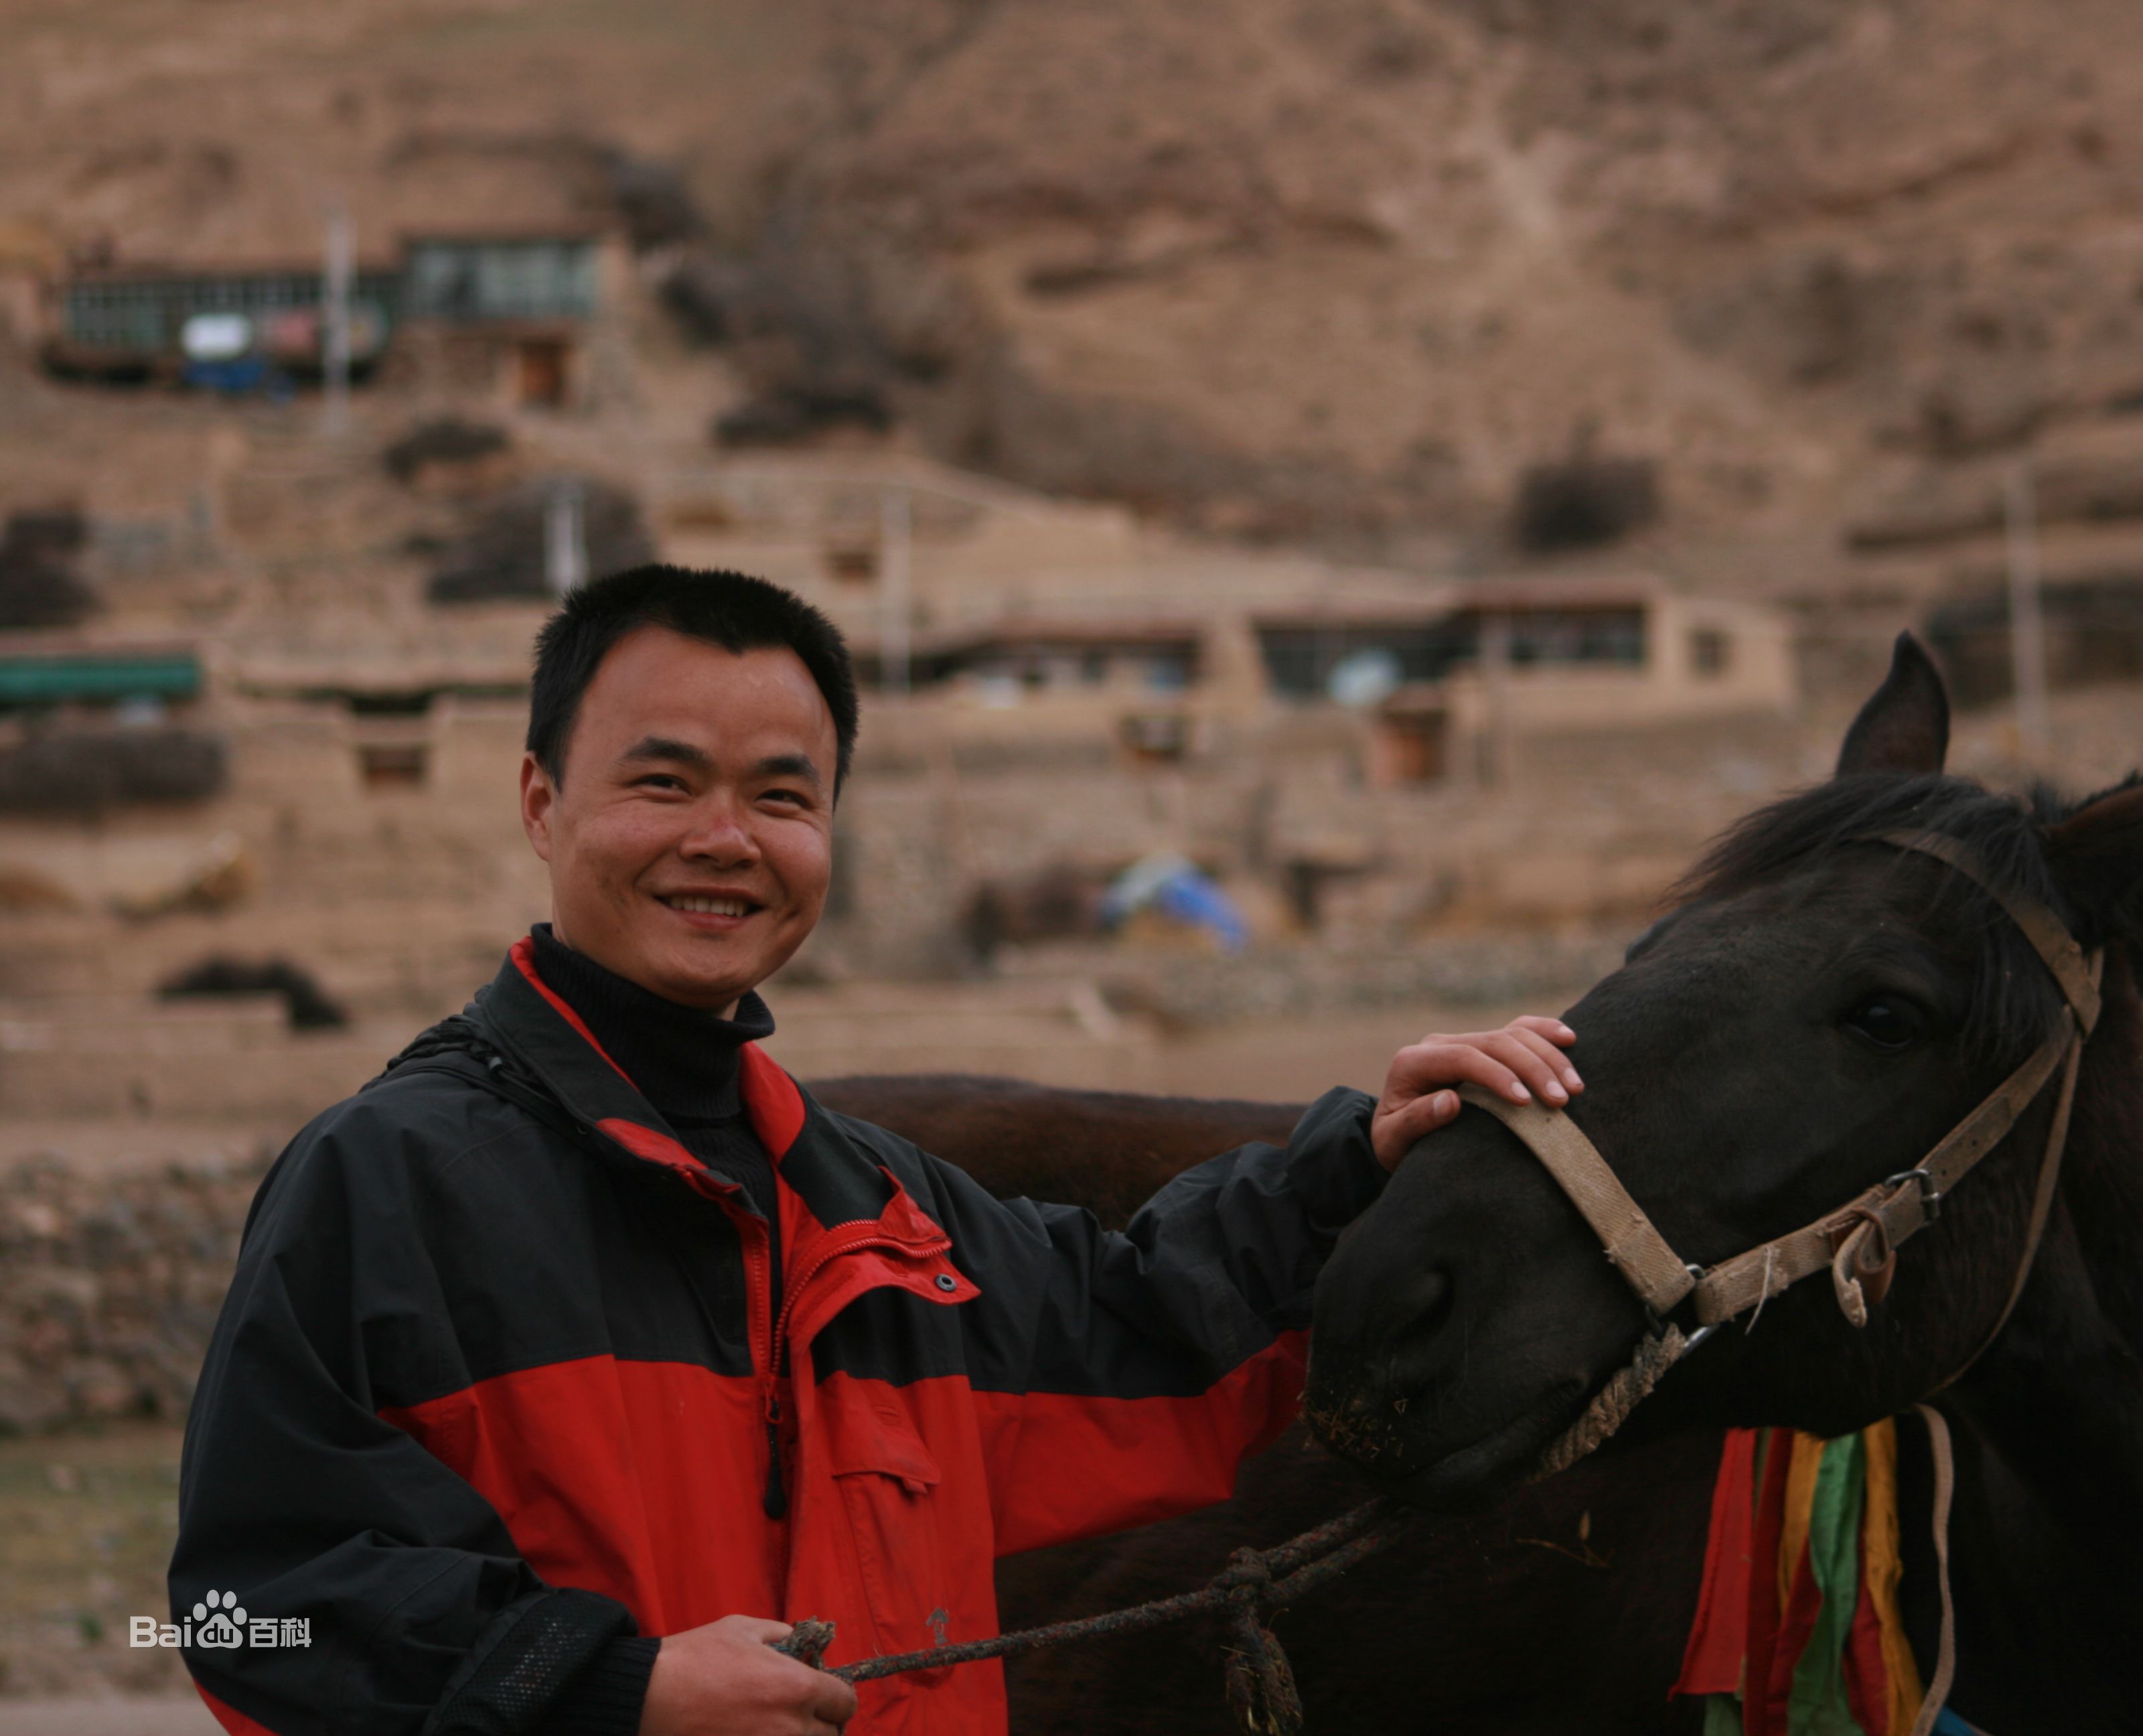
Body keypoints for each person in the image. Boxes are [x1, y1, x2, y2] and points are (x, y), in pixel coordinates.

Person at [172, 565, 1582, 1736]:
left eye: (782, 798)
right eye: (663, 783)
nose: (726, 841)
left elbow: (1153, 1332)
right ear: (541, 802)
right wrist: (617, 1688)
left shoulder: (882, 1212)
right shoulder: (389, 1180)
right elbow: (241, 1610)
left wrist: (1373, 1163)